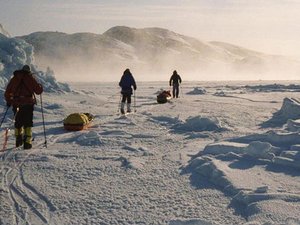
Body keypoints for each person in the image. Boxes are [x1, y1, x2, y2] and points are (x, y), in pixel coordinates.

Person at [4, 65, 43, 149]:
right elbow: (38, 91)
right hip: (28, 104)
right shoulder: (30, 78)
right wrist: (40, 86)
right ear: (28, 71)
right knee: (28, 122)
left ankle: (18, 140)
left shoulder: (14, 79)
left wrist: (9, 101)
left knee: (18, 122)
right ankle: (27, 142)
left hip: (16, 104)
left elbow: (8, 92)